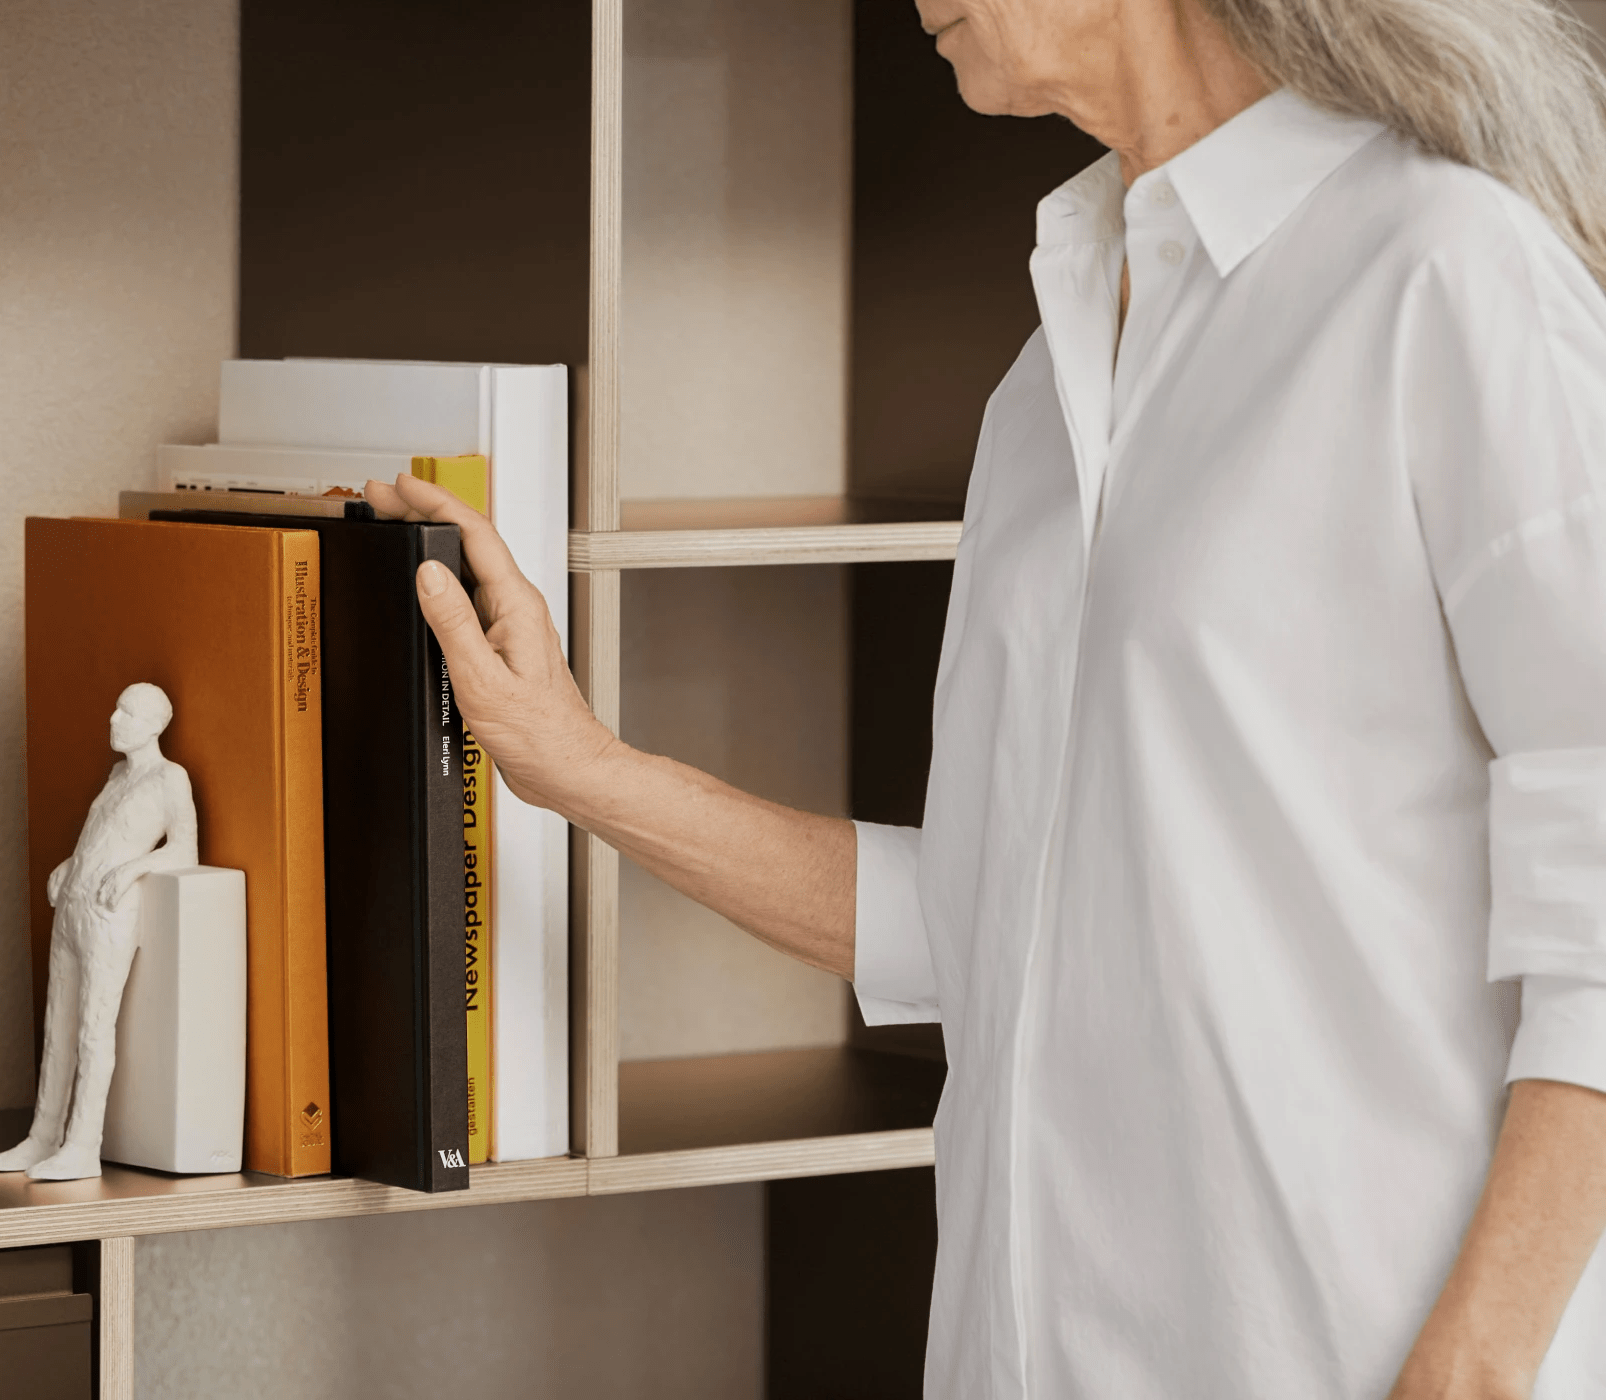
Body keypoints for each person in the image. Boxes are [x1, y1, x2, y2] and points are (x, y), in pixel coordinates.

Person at [368, 0, 1606, 1393]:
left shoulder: (1446, 273)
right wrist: (578, 765)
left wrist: (1483, 1363)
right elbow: (990, 918)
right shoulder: (1042, 393)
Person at [0, 682, 197, 1182]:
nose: (114, 719)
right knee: (57, 1026)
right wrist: (69, 864)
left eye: (127, 713)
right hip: (74, 906)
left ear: (155, 725)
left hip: (109, 913)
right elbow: (101, 839)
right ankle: (42, 1136)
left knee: (93, 1029)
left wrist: (131, 871)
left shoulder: (170, 779)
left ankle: (82, 1145)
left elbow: (184, 848)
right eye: (116, 708)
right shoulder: (117, 775)